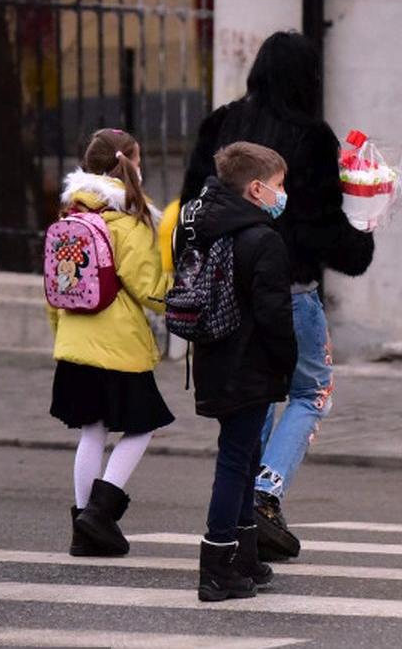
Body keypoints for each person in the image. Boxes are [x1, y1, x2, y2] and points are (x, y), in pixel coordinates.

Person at [180, 31, 374, 560]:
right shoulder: (312, 138)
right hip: (289, 288)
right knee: (312, 391)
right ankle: (265, 492)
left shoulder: (221, 124)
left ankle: (245, 516)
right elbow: (323, 227)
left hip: (225, 289)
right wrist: (363, 231)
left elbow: (193, 205)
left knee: (255, 398)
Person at [49, 129, 173, 558]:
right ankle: (100, 514)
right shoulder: (127, 220)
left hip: (74, 342)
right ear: (129, 163)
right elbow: (148, 287)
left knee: (92, 431)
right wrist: (178, 296)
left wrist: (61, 334)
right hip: (119, 345)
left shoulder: (70, 215)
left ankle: (83, 527)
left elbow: (54, 290)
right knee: (143, 425)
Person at [189, 142, 297, 601]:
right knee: (236, 461)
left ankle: (245, 555)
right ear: (255, 189)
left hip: (215, 359)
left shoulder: (204, 226)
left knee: (247, 455)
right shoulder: (262, 239)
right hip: (250, 364)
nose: (282, 194)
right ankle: (217, 566)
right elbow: (274, 314)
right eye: (278, 185)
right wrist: (287, 362)